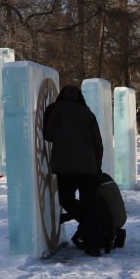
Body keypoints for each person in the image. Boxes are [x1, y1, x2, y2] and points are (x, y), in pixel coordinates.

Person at [42, 83, 105, 254]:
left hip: (66, 167)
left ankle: (88, 227)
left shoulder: (56, 110)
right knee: (90, 204)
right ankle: (94, 243)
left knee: (67, 200)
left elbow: (48, 135)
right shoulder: (87, 113)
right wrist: (97, 167)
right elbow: (98, 144)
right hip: (89, 167)